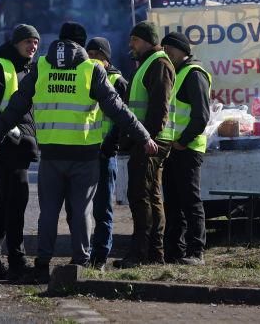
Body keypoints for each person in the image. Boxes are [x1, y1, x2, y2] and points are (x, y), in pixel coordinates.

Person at [0, 22, 157, 284]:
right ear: (81, 44)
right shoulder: (91, 69)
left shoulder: (41, 67)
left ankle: (42, 265)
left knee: (49, 212)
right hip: (85, 155)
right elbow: (117, 109)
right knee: (81, 212)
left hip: (52, 155)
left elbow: (15, 106)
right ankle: (80, 263)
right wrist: (143, 136)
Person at [0, 23, 41, 281]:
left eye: (35, 42)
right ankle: (16, 261)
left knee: (7, 201)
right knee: (16, 200)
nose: (32, 46)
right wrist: (12, 133)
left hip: (20, 146)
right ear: (16, 43)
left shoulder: (29, 69)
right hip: (4, 145)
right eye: (27, 41)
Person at [114, 21, 175, 268]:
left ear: (149, 41)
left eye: (135, 40)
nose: (131, 45)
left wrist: (145, 137)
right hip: (148, 140)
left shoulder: (158, 63)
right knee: (150, 196)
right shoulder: (150, 63)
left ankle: (141, 254)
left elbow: (159, 107)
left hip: (150, 141)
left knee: (141, 196)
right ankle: (153, 253)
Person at [160, 31, 212, 265]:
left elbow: (201, 117)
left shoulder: (193, 74)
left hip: (187, 149)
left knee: (190, 200)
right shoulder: (177, 73)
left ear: (183, 50)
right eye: (164, 48)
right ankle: (174, 251)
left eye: (170, 47)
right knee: (173, 202)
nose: (166, 51)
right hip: (173, 148)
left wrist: (183, 141)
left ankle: (196, 252)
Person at [85, 37, 129, 270]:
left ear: (106, 57)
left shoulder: (117, 81)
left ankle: (100, 256)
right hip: (85, 151)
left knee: (103, 209)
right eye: (88, 52)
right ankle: (84, 254)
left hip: (104, 154)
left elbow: (122, 121)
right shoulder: (84, 76)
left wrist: (109, 146)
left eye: (95, 54)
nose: (91, 57)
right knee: (80, 208)